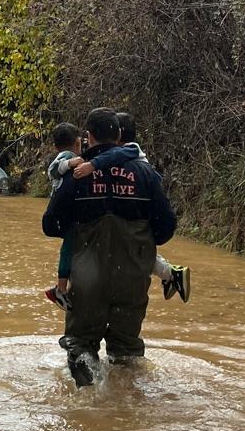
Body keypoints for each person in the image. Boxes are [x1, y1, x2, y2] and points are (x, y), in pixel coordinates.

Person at [41, 105, 177, 385]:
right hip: (132, 278)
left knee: (80, 345)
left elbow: (50, 225)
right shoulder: (145, 173)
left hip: (88, 278)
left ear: (88, 137)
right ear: (119, 137)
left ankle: (90, 406)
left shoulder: (75, 174)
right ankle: (125, 407)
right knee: (126, 352)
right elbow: (166, 229)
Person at [70, 110, 191, 302]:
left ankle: (169, 273)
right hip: (135, 244)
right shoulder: (137, 164)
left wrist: (92, 164)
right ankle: (169, 273)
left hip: (118, 249)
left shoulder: (129, 152)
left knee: (131, 244)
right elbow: (166, 221)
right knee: (134, 244)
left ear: (117, 136)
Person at [43, 121, 82, 308]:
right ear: (77, 143)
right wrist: (72, 161)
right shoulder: (68, 156)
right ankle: (60, 288)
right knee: (69, 247)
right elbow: (53, 170)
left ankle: (60, 289)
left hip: (59, 213)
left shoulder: (65, 155)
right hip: (63, 214)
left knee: (68, 247)